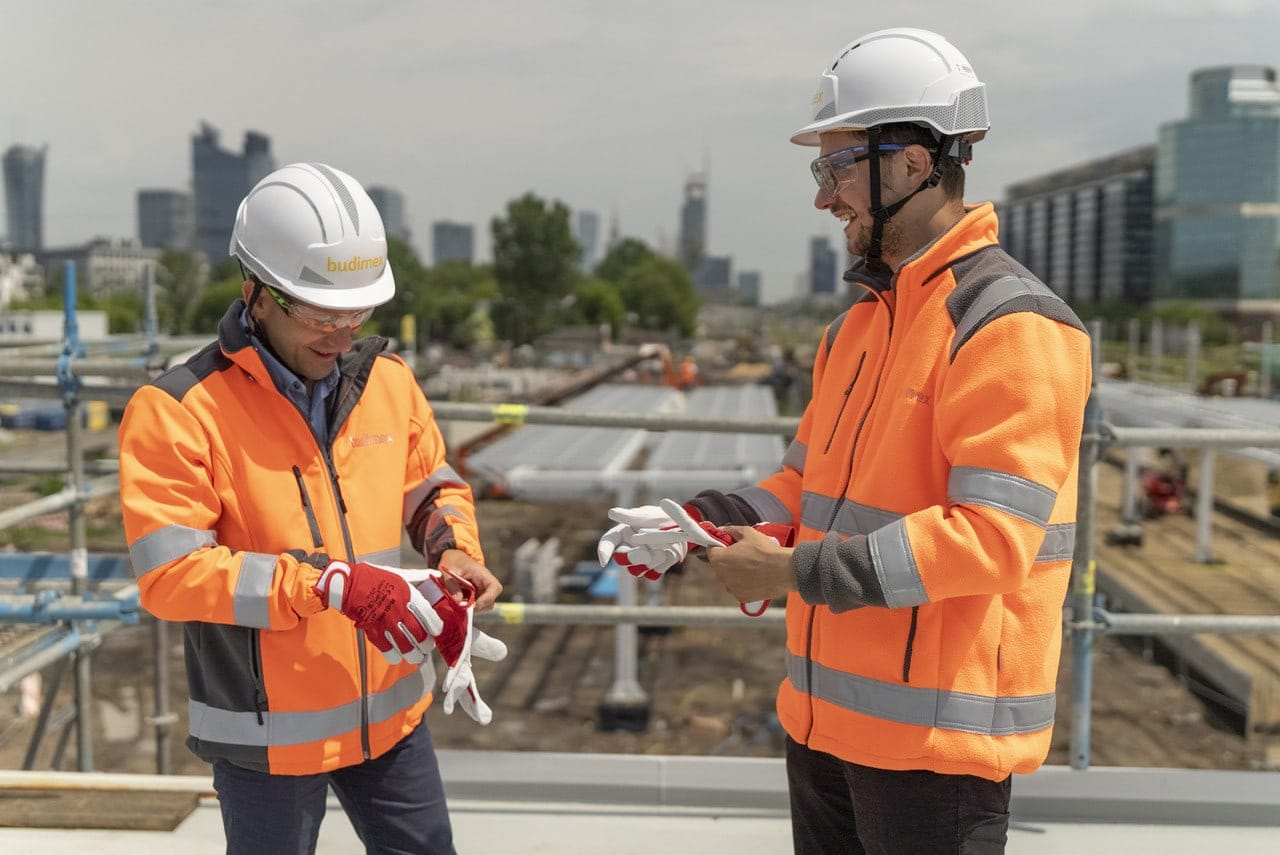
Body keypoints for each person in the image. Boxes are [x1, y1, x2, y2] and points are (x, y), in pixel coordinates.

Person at [598, 28, 1093, 854]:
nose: (825, 197)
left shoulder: (1009, 325)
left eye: (835, 168)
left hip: (934, 754)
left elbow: (996, 541)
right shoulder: (857, 328)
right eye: (821, 172)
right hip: (829, 726)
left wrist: (790, 570)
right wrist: (700, 523)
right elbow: (802, 487)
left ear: (911, 161)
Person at [119, 162, 505, 855]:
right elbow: (171, 575)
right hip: (267, 733)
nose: (342, 331)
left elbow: (430, 486)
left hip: (391, 711)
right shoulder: (180, 410)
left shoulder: (387, 381)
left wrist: (453, 552)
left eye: (357, 312)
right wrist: (327, 583)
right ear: (255, 292)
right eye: (321, 313)